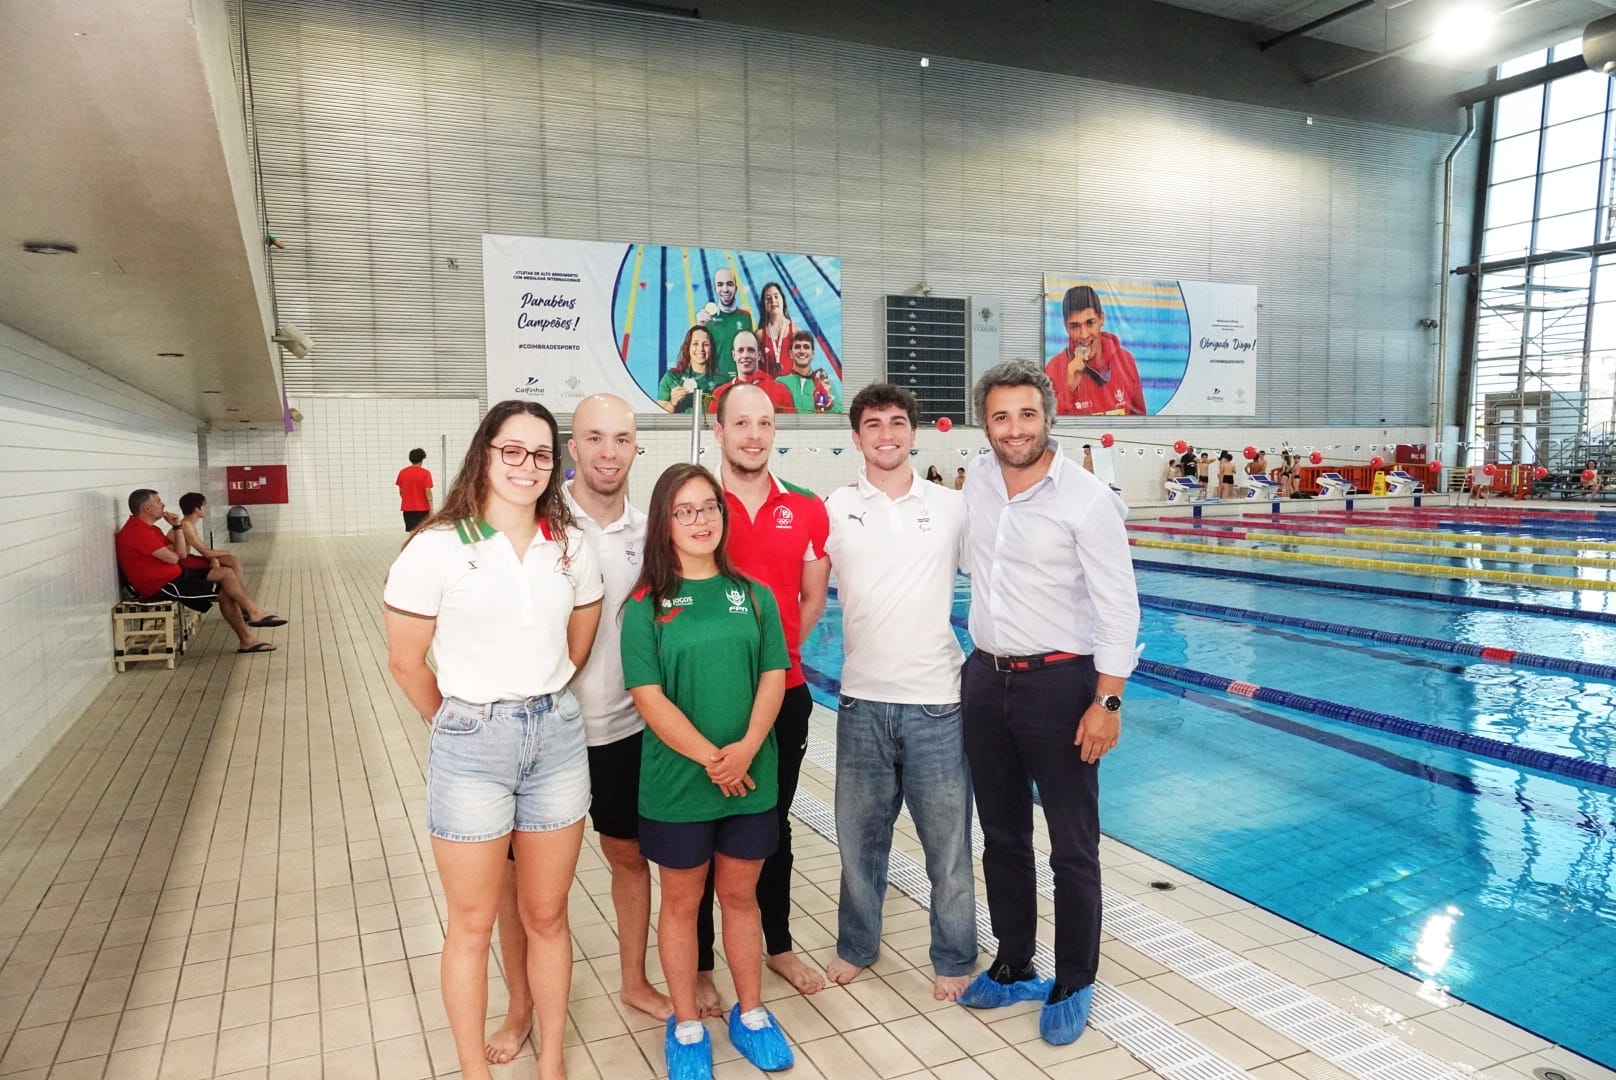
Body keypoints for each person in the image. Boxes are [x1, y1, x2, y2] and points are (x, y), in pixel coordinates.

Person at [383, 400, 603, 1080]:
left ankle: (552, 1061)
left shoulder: (570, 545)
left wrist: (538, 697)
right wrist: (459, 723)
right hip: (471, 744)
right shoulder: (436, 547)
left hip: (555, 741)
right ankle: (474, 1071)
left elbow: (578, 643)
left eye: (541, 454)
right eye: (512, 450)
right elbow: (406, 662)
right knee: (472, 923)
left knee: (547, 915)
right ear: (484, 452)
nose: (526, 466)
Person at [482, 395, 672, 1067]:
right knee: (518, 887)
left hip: (624, 729)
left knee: (629, 856)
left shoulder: (653, 532)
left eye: (621, 438)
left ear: (636, 447)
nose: (608, 452)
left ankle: (633, 979)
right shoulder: (536, 523)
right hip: (539, 737)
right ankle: (520, 1007)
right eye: (594, 437)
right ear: (573, 447)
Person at [956, 360, 1140, 1048]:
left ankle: (1074, 977)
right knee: (1001, 834)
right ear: (985, 424)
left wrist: (1108, 702)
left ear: (1048, 418)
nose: (1015, 429)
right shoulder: (976, 480)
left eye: (1027, 415)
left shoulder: (1087, 499)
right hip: (986, 678)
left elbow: (1119, 607)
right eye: (1001, 417)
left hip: (1061, 685)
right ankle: (1013, 960)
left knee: (1072, 843)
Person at [621, 462, 797, 1080]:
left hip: (751, 777)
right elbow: (648, 698)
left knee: (741, 897)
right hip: (678, 785)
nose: (701, 520)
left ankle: (751, 1013)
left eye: (710, 507)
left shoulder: (754, 595)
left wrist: (745, 749)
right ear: (664, 523)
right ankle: (686, 1023)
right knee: (680, 903)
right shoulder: (645, 605)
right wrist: (714, 760)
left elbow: (773, 677)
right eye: (685, 510)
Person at [823, 383, 977, 1001]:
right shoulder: (834, 508)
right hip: (860, 701)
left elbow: (999, 574)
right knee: (859, 844)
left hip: (938, 702)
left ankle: (955, 955)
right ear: (856, 437)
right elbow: (802, 588)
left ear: (913, 432)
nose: (885, 434)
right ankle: (857, 945)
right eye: (873, 424)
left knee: (949, 846)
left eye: (895, 422)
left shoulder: (952, 507)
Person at [700, 383, 831, 1002]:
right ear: (718, 430)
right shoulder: (696, 504)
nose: (754, 435)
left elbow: (811, 600)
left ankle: (777, 945)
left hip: (786, 694)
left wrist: (773, 665)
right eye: (741, 423)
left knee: (771, 824)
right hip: (705, 696)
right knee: (701, 828)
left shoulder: (805, 507)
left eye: (765, 423)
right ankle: (700, 962)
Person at [116, 489, 285, 654]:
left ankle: (253, 613)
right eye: (158, 501)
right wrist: (178, 541)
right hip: (163, 585)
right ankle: (249, 634)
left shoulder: (151, 529)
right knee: (226, 593)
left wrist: (176, 526)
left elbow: (181, 553)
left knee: (226, 573)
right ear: (147, 508)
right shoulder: (137, 532)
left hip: (177, 575)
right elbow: (174, 558)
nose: (163, 504)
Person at [1044, 286, 1146, 416]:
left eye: (1090, 322)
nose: (1084, 335)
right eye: (1074, 326)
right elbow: (1049, 424)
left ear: (1101, 319)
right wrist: (1068, 389)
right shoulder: (1053, 370)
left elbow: (1140, 420)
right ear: (1066, 327)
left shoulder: (1125, 361)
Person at [707, 331, 796, 415]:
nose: (745, 355)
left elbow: (789, 426)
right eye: (740, 350)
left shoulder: (780, 391)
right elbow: (712, 426)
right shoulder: (719, 394)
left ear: (759, 355)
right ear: (734, 355)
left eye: (751, 350)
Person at [176, 492, 249, 584]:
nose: (205, 509)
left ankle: (240, 588)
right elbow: (206, 553)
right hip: (182, 562)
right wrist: (227, 552)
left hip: (187, 558)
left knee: (232, 560)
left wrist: (214, 557)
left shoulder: (189, 524)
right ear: (197, 509)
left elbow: (205, 551)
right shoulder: (186, 525)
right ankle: (239, 589)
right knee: (231, 560)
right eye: (204, 506)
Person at [696, 267, 754, 383]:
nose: (725, 289)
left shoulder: (745, 317)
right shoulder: (706, 319)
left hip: (740, 383)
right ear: (715, 289)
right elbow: (698, 356)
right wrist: (699, 327)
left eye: (729, 284)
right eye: (720, 284)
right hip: (714, 384)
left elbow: (750, 353)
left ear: (736, 288)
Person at [657, 326, 720, 413]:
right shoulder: (672, 377)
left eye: (705, 344)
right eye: (695, 344)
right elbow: (660, 415)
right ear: (688, 347)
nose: (700, 349)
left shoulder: (721, 381)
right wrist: (672, 403)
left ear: (711, 348)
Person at [755, 282, 795, 377]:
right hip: (767, 385)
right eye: (768, 298)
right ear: (764, 304)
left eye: (776, 296)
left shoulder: (795, 331)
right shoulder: (759, 335)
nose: (773, 300)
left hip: (790, 385)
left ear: (783, 300)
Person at [397, 448, 434, 531]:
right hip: (423, 508)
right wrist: (431, 508)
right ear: (421, 460)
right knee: (423, 531)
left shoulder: (402, 472)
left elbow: (401, 491)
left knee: (412, 531)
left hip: (408, 508)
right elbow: (428, 492)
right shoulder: (425, 473)